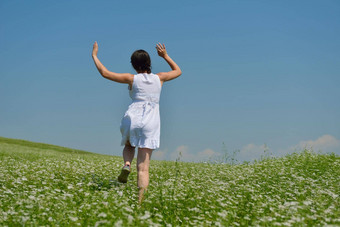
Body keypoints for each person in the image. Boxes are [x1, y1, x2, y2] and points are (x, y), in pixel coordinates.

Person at [92, 42, 181, 203]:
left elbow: (104, 73)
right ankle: (139, 203)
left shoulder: (131, 79)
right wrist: (165, 55)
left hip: (133, 117)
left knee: (129, 145)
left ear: (133, 65)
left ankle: (127, 164)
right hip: (151, 121)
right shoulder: (159, 78)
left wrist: (94, 56)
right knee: (144, 167)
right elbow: (178, 71)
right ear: (149, 63)